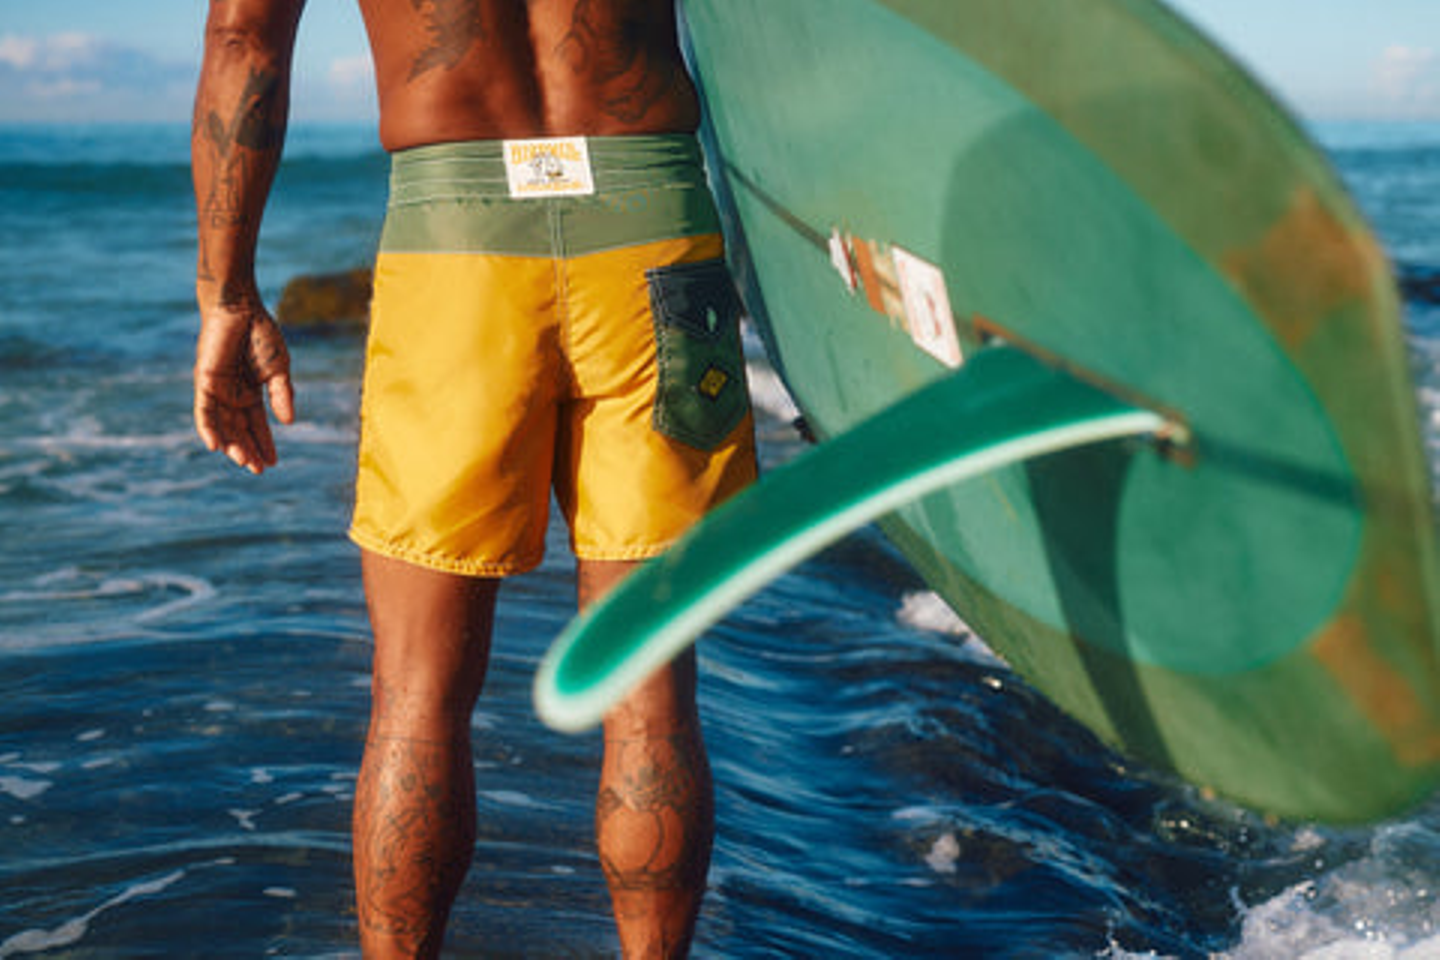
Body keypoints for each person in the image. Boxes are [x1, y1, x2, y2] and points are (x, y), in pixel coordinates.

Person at [189, 1, 757, 957]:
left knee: (416, 694)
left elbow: (243, 39)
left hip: (454, 237)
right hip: (651, 219)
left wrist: (227, 292)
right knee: (650, 684)